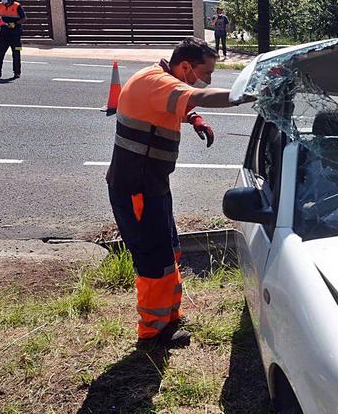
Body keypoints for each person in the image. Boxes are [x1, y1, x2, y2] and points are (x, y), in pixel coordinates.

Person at [106, 37, 250, 349]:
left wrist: (193, 117)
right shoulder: (155, 81)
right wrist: (248, 95)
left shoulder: (161, 81)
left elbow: (176, 102)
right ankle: (153, 333)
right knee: (154, 260)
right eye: (207, 72)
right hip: (137, 190)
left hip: (152, 186)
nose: (209, 79)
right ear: (185, 67)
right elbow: (197, 94)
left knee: (168, 251)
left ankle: (169, 317)